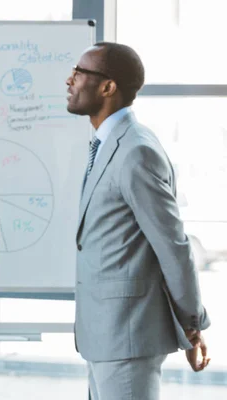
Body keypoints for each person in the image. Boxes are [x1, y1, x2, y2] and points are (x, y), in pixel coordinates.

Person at [66, 42, 211, 400]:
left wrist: (192, 326)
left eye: (80, 72)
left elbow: (173, 245)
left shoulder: (136, 151)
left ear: (107, 87)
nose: (70, 80)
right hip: (106, 335)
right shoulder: (108, 143)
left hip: (127, 336)